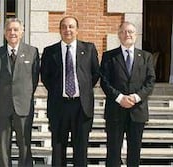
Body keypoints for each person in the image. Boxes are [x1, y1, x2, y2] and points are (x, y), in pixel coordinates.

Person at [40, 16, 100, 166]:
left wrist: (82, 90)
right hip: (59, 105)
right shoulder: (50, 51)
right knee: (58, 147)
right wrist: (59, 91)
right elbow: (45, 77)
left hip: (82, 106)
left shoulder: (89, 49)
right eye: (64, 27)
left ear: (77, 30)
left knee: (81, 149)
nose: (68, 30)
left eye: (71, 27)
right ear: (60, 30)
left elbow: (95, 74)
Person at [100, 22, 156, 167]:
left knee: (135, 151)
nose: (127, 34)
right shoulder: (109, 56)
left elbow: (150, 81)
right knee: (113, 151)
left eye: (130, 32)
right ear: (119, 35)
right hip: (115, 111)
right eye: (124, 32)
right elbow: (104, 81)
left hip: (137, 111)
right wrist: (120, 98)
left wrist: (136, 97)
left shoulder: (146, 57)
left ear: (136, 35)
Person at [0, 18, 39, 167]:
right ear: (4, 33)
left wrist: (24, 94)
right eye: (9, 30)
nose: (12, 33)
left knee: (24, 143)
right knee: (3, 145)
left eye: (16, 29)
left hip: (23, 105)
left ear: (22, 32)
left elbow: (34, 79)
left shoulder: (32, 52)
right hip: (3, 105)